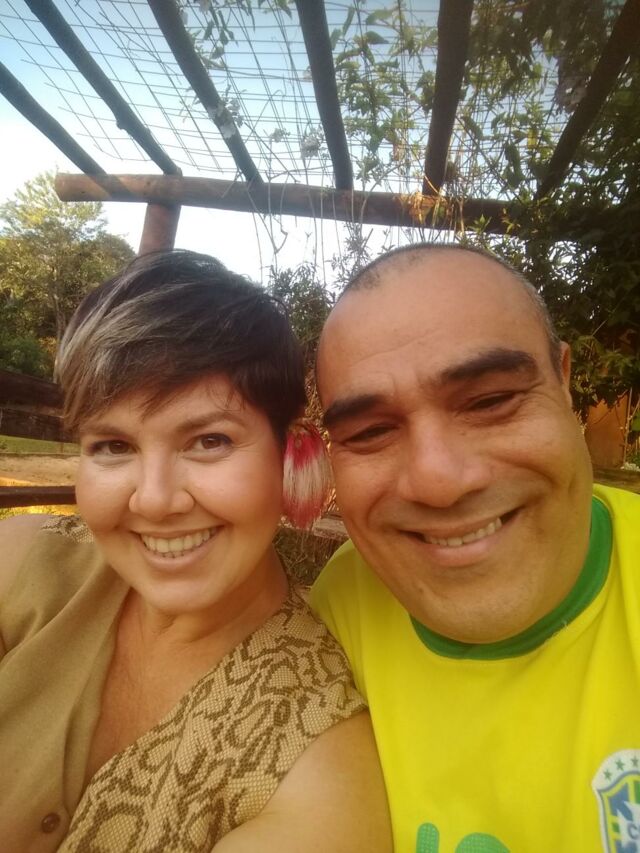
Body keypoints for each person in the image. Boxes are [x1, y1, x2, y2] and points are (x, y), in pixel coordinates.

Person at [0, 250, 391, 852]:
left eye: (209, 440)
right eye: (113, 446)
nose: (155, 501)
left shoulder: (316, 766)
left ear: (291, 452)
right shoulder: (23, 564)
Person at [311, 243, 640, 853]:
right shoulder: (341, 604)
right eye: (371, 431)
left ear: (564, 380)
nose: (438, 481)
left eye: (490, 401)